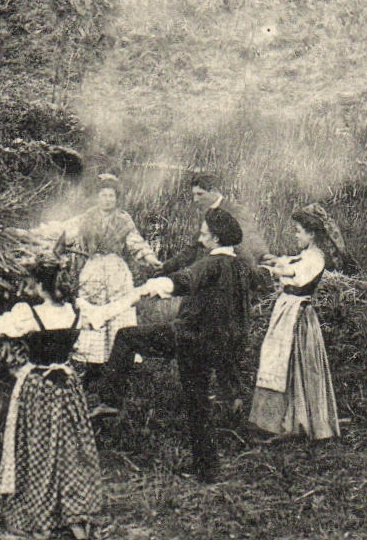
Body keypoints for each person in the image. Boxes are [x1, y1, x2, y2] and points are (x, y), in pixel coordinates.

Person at [0, 261, 143, 540]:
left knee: (38, 450)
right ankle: (74, 516)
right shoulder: (77, 311)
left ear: (39, 285)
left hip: (38, 389)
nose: (26, 288)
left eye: (30, 282)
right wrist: (141, 293)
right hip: (68, 388)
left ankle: (40, 516)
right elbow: (111, 311)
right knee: (71, 449)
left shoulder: (28, 314)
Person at [92, 208, 253, 484]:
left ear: (214, 238)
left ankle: (110, 400)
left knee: (126, 336)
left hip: (189, 337)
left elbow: (184, 280)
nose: (200, 234)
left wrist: (152, 287)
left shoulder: (211, 263)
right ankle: (207, 470)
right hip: (216, 344)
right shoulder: (239, 266)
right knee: (197, 402)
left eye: (204, 232)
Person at [34, 174, 162, 371]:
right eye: (103, 195)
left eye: (111, 196)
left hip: (116, 271)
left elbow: (136, 243)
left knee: (118, 310)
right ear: (97, 197)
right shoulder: (87, 217)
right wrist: (43, 238)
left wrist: (151, 258)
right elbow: (65, 231)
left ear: (116, 198)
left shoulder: (123, 219)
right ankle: (91, 360)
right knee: (91, 309)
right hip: (92, 269)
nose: (107, 199)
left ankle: (118, 356)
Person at [250, 204, 345, 441]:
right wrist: (275, 264)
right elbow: (289, 263)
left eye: (299, 231)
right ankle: (278, 421)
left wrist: (275, 271)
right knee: (278, 361)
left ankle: (297, 421)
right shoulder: (304, 255)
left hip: (298, 316)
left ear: (312, 235)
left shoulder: (315, 259)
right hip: (287, 310)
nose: (296, 235)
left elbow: (297, 278)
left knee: (294, 364)